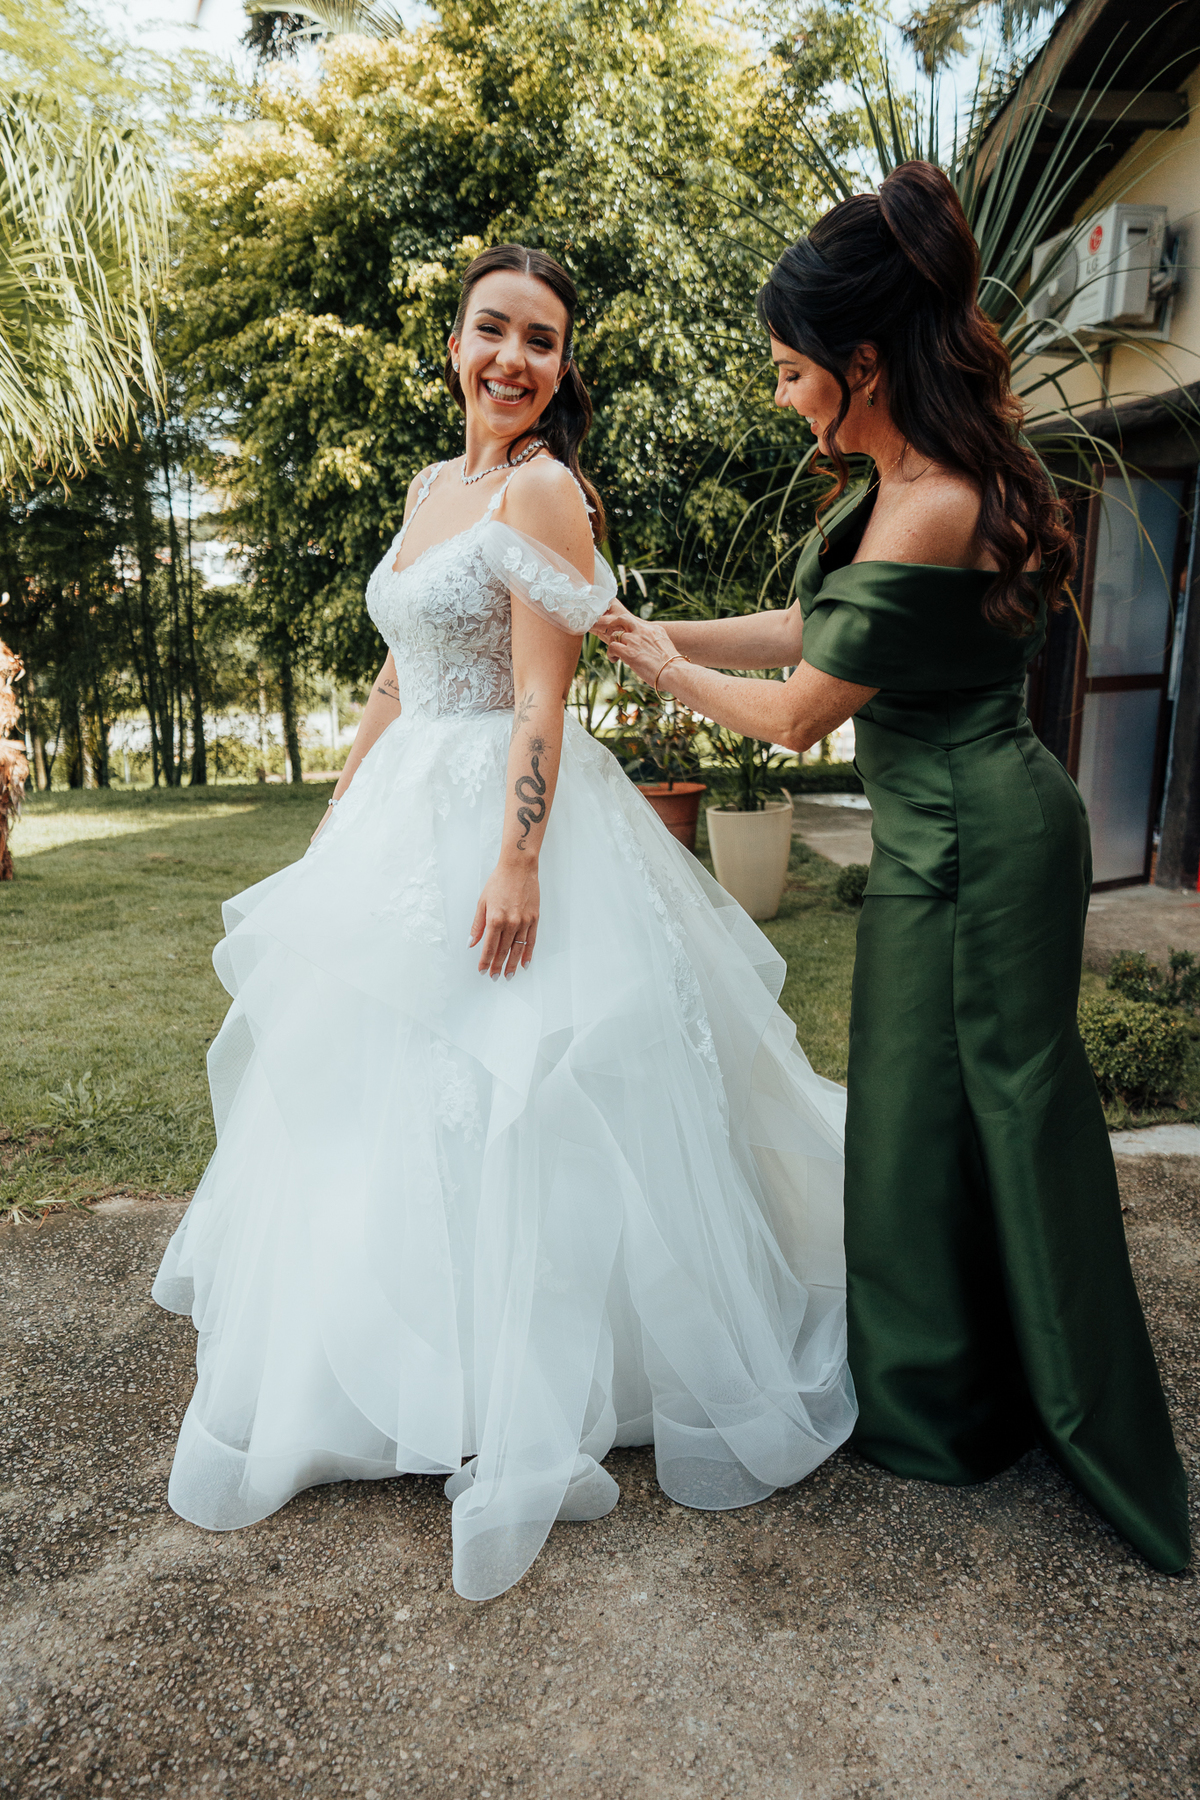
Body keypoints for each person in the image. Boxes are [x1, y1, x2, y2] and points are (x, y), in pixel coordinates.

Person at [152, 243, 856, 1603]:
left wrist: (519, 859)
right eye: (493, 330)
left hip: (505, 813)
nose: (513, 359)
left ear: (561, 364)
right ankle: (391, 1367)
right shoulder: (434, 488)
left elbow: (544, 694)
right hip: (402, 815)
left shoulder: (543, 491)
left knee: (518, 1086)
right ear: (455, 343)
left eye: (541, 340)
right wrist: (340, 806)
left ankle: (528, 1381)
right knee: (382, 1089)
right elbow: (396, 669)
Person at [594, 164, 1190, 1574]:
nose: (785, 395)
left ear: (862, 363)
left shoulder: (932, 500)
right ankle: (949, 1388)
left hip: (980, 838)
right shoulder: (899, 486)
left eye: (794, 371)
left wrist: (663, 672)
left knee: (983, 1116)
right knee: (920, 1118)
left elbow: (803, 711)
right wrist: (643, 629)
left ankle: (1014, 1403)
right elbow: (809, 626)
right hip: (952, 828)